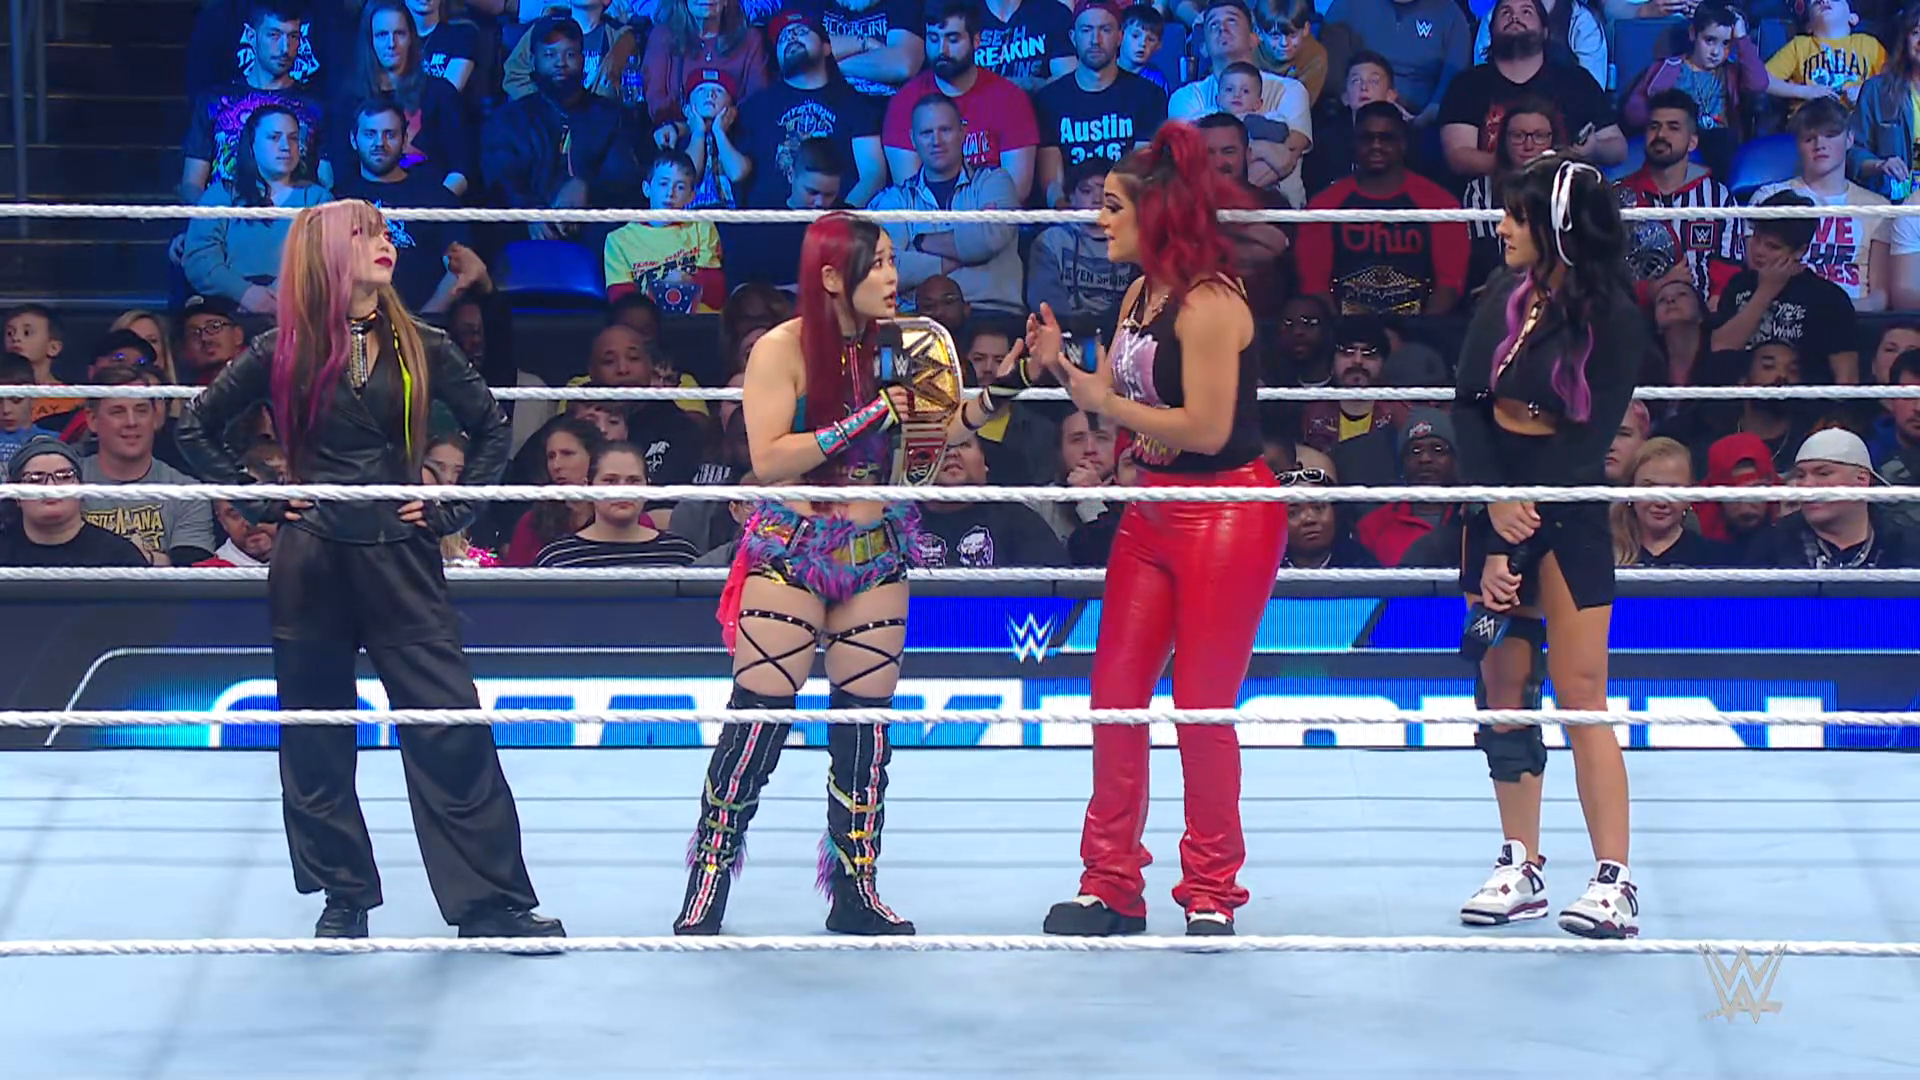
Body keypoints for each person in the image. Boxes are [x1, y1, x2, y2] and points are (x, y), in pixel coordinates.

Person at [176, 199, 564, 944]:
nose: (385, 244)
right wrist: (261, 497)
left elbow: (491, 427)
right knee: (317, 733)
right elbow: (194, 424)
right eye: (366, 233)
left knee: (448, 724)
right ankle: (342, 893)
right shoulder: (282, 348)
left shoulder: (422, 343)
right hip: (312, 555)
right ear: (327, 252)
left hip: (399, 549)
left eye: (386, 233)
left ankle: (491, 901)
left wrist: (452, 508)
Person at [676, 210, 1018, 936]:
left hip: (875, 549)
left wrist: (1003, 391)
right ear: (833, 276)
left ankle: (855, 889)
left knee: (864, 733)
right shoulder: (781, 349)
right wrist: (866, 418)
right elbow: (770, 459)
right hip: (792, 547)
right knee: (758, 721)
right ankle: (708, 878)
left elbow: (935, 430)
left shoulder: (911, 345)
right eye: (880, 263)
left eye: (894, 260)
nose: (895, 277)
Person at [1024, 121, 1287, 937]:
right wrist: (1061, 368)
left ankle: (1210, 889)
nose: (1098, 219)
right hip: (1153, 509)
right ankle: (1110, 884)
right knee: (1114, 696)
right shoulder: (1141, 293)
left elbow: (1206, 428)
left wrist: (1104, 402)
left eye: (1112, 206)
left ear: (1157, 213)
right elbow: (1117, 401)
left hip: (1226, 513)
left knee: (1201, 705)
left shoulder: (1211, 302)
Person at [1451, 153, 1642, 939]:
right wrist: (1493, 506)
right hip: (1495, 495)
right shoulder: (1503, 293)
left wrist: (1515, 543)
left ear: (1558, 227)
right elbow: (1467, 403)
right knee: (1502, 683)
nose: (1500, 226)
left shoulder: (1615, 316)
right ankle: (1519, 862)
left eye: (1517, 215)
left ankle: (1614, 880)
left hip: (1563, 507)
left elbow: (1584, 443)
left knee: (1581, 689)